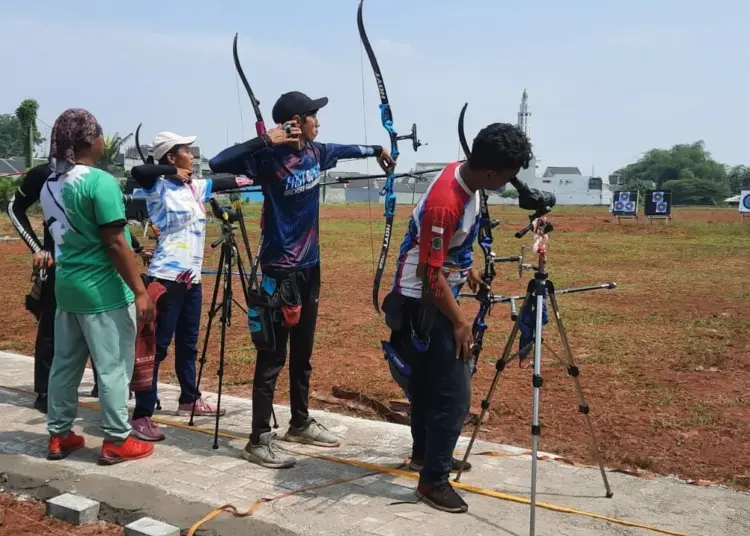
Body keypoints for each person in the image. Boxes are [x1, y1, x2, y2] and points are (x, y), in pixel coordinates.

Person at [209, 91, 394, 468]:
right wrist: (268, 139)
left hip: (311, 267)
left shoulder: (315, 152)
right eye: (313, 116)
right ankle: (258, 439)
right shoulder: (268, 159)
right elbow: (217, 162)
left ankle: (299, 421)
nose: (318, 122)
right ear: (295, 122)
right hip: (280, 270)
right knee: (272, 355)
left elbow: (345, 149)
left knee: (303, 351)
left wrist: (376, 147)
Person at [382, 123, 533, 513]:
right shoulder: (446, 201)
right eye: (507, 175)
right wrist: (460, 321)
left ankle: (424, 457)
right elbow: (428, 275)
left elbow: (448, 251)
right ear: (489, 172)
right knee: (454, 395)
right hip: (423, 303)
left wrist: (469, 272)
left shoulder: (467, 180)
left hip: (433, 294)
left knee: (428, 387)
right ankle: (432, 482)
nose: (509, 182)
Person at [40, 108, 156, 465]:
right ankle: (117, 439)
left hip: (67, 287)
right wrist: (139, 291)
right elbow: (115, 241)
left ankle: (59, 435)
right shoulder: (99, 181)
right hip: (103, 291)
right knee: (112, 367)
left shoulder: (50, 184)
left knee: (64, 364)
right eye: (102, 134)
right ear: (90, 140)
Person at [127, 132, 254, 441]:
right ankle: (141, 414)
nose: (192, 153)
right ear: (171, 157)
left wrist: (255, 177)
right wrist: (171, 172)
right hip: (166, 279)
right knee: (157, 348)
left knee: (189, 343)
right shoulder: (157, 185)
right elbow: (138, 172)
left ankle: (189, 398)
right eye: (186, 149)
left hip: (191, 280)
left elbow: (226, 182)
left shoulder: (195, 186)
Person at [7, 164, 150, 412]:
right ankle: (46, 393)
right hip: (63, 265)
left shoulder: (95, 176)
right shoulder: (45, 174)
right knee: (55, 331)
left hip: (102, 266)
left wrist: (136, 248)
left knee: (105, 330)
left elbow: (112, 223)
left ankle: (103, 389)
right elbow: (14, 207)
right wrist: (37, 248)